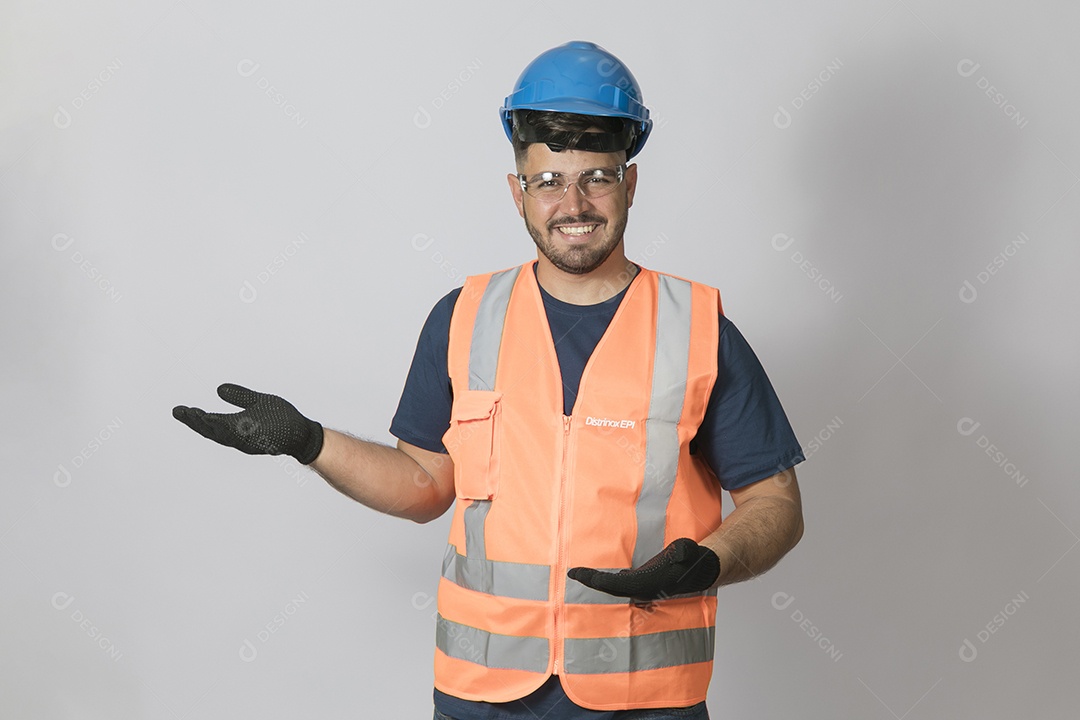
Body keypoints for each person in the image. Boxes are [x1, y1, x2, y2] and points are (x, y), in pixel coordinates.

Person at [173, 41, 806, 720]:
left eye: (597, 176)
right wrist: (307, 441)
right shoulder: (464, 319)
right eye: (550, 181)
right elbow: (424, 486)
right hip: (484, 699)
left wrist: (708, 563)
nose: (575, 202)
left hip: (645, 699)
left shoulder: (699, 329)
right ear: (518, 192)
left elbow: (776, 505)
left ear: (630, 184)